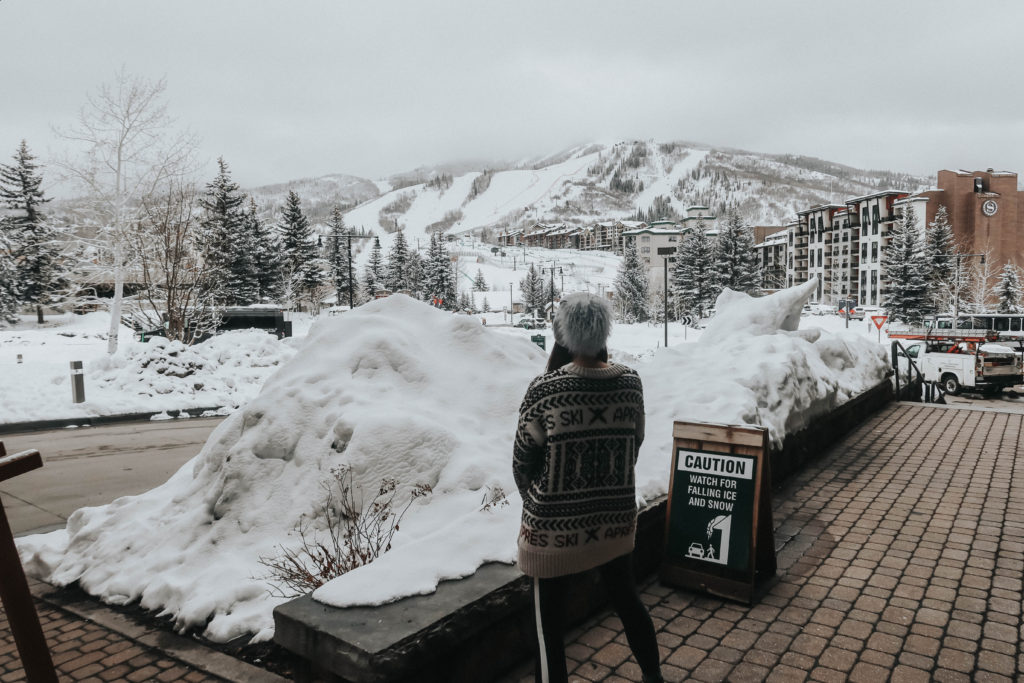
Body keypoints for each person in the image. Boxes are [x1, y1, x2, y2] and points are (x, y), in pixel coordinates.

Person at [513, 293, 663, 683]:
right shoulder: (630, 383)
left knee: (548, 630)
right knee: (628, 601)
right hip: (614, 524)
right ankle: (653, 677)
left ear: (562, 335)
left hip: (552, 535)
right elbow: (635, 444)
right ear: (604, 333)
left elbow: (521, 464)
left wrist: (544, 506)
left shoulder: (544, 390)